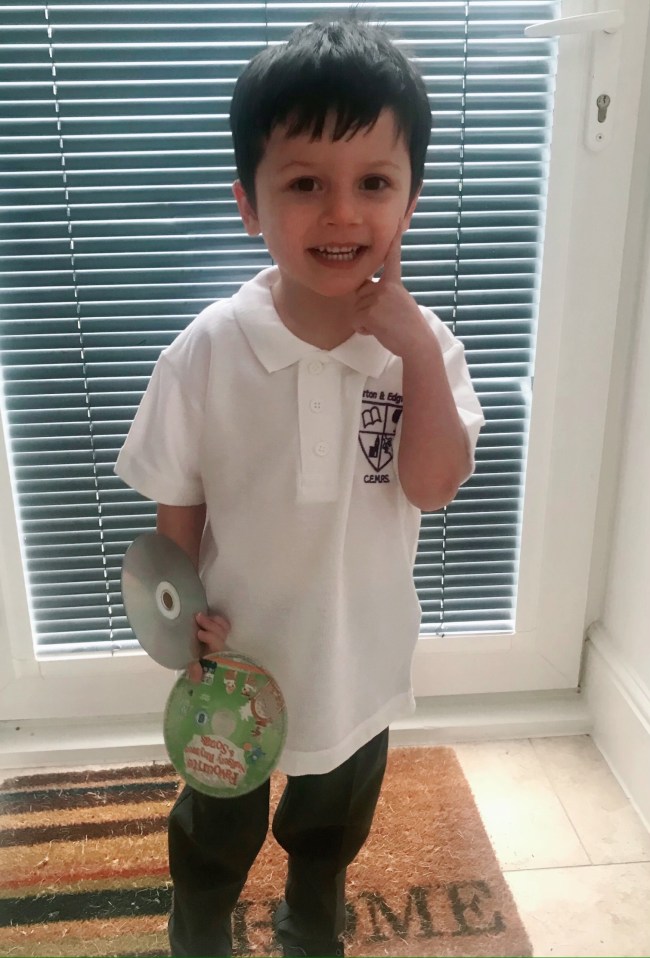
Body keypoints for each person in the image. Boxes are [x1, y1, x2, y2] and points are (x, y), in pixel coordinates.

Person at [115, 15, 485, 958]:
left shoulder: (425, 349)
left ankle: (311, 923)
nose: (342, 214)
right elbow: (177, 500)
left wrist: (414, 354)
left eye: (374, 183)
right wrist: (180, 623)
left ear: (410, 201)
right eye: (306, 184)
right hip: (236, 664)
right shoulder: (208, 350)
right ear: (250, 204)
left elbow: (434, 485)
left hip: (359, 658)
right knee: (217, 825)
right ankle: (199, 925)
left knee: (330, 827)